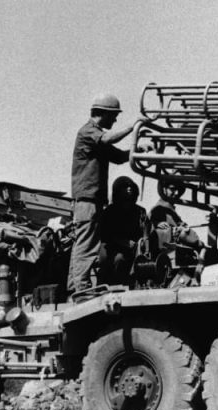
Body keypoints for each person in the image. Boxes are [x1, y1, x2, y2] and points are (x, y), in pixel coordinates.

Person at [67, 93, 148, 295]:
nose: (115, 120)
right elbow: (108, 138)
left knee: (83, 245)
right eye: (114, 115)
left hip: (91, 201)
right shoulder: (88, 132)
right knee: (86, 247)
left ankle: (75, 287)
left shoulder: (97, 139)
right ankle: (82, 290)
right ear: (103, 113)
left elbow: (118, 157)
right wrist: (133, 126)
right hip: (87, 201)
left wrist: (138, 150)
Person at [98, 176, 150, 286]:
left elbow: (146, 234)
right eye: (125, 186)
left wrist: (145, 248)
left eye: (131, 186)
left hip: (134, 249)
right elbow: (105, 235)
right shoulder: (109, 211)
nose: (129, 189)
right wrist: (123, 242)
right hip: (112, 248)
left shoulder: (140, 211)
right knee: (116, 259)